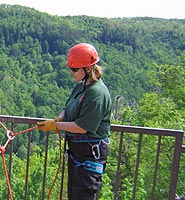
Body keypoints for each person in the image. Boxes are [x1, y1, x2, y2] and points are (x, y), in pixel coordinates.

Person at [37, 43, 112, 200]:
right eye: (70, 68)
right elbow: (68, 108)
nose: (71, 72)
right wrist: (59, 118)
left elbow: (82, 127)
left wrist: (55, 125)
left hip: (90, 155)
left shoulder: (97, 94)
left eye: (74, 69)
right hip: (78, 153)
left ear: (88, 69)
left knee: (84, 195)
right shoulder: (81, 87)